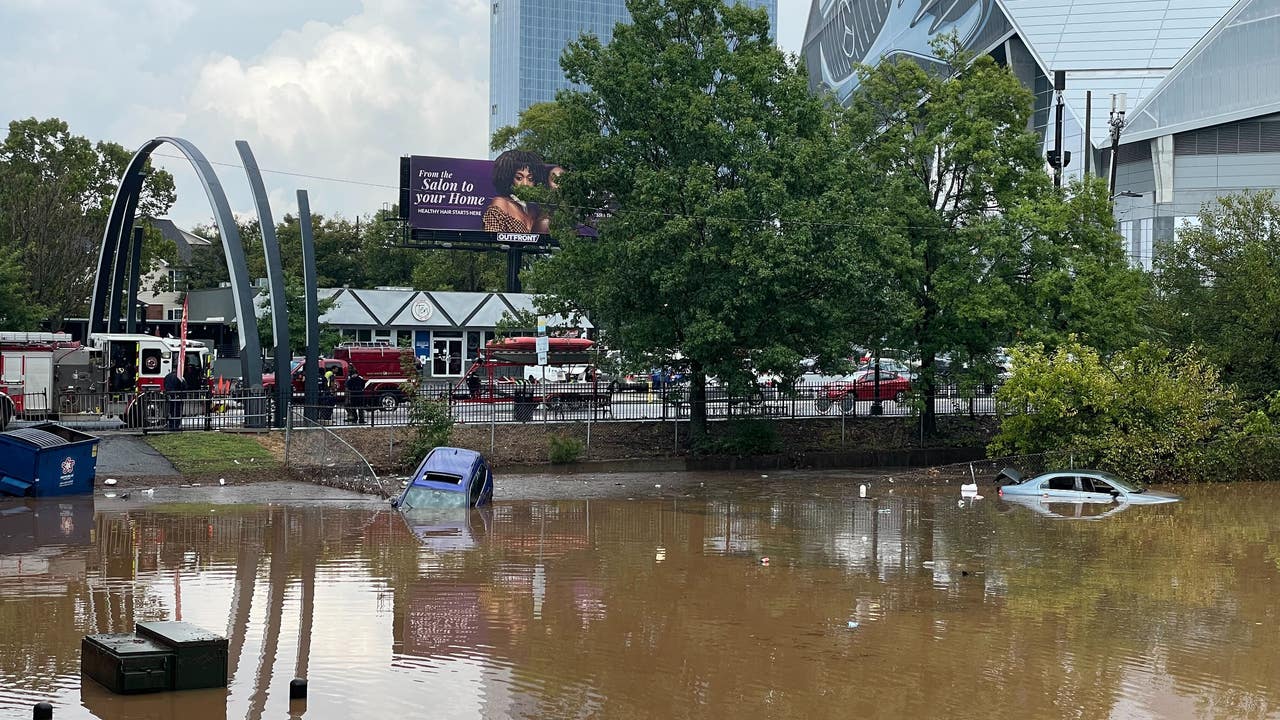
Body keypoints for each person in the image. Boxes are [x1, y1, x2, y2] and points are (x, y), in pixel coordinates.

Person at [482, 149, 544, 232]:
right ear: (508, 178)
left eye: (530, 179)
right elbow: (493, 241)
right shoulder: (501, 205)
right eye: (519, 178)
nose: (525, 184)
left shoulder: (534, 209)